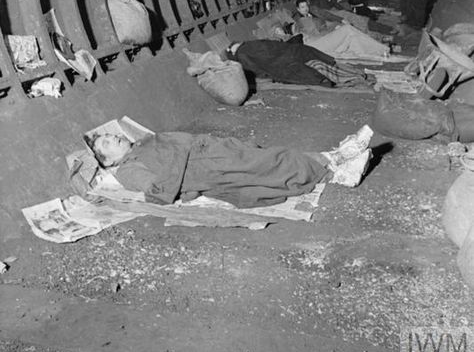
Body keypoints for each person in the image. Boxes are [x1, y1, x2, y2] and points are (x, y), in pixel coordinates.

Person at [91, 126, 373, 208]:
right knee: (268, 162)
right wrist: (184, 155)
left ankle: (335, 165)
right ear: (110, 161)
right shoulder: (127, 170)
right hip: (203, 165)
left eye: (110, 134)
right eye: (107, 143)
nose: (113, 136)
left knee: (265, 157)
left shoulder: (140, 144)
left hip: (208, 152)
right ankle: (336, 162)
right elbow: (159, 190)